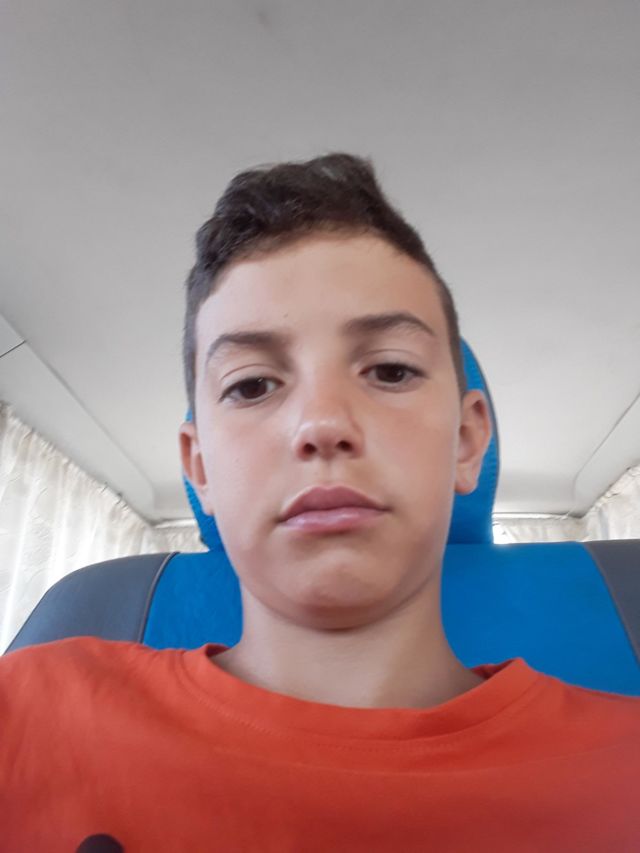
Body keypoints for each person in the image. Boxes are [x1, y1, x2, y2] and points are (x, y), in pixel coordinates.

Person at [1, 154, 638, 852]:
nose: (323, 423)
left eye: (389, 370)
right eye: (252, 385)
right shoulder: (25, 713)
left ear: (466, 440)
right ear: (199, 465)